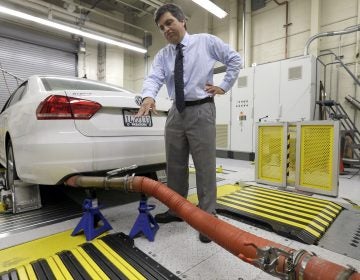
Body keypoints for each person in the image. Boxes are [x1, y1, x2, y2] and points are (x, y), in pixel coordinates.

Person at [137, 3, 242, 243]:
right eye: (162, 27)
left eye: (169, 23)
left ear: (182, 20)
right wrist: (149, 96)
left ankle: (207, 217)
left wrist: (223, 86)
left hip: (201, 110)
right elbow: (154, 78)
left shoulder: (205, 42)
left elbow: (234, 59)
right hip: (176, 112)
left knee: (204, 166)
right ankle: (176, 209)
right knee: (174, 165)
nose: (166, 30)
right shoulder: (164, 55)